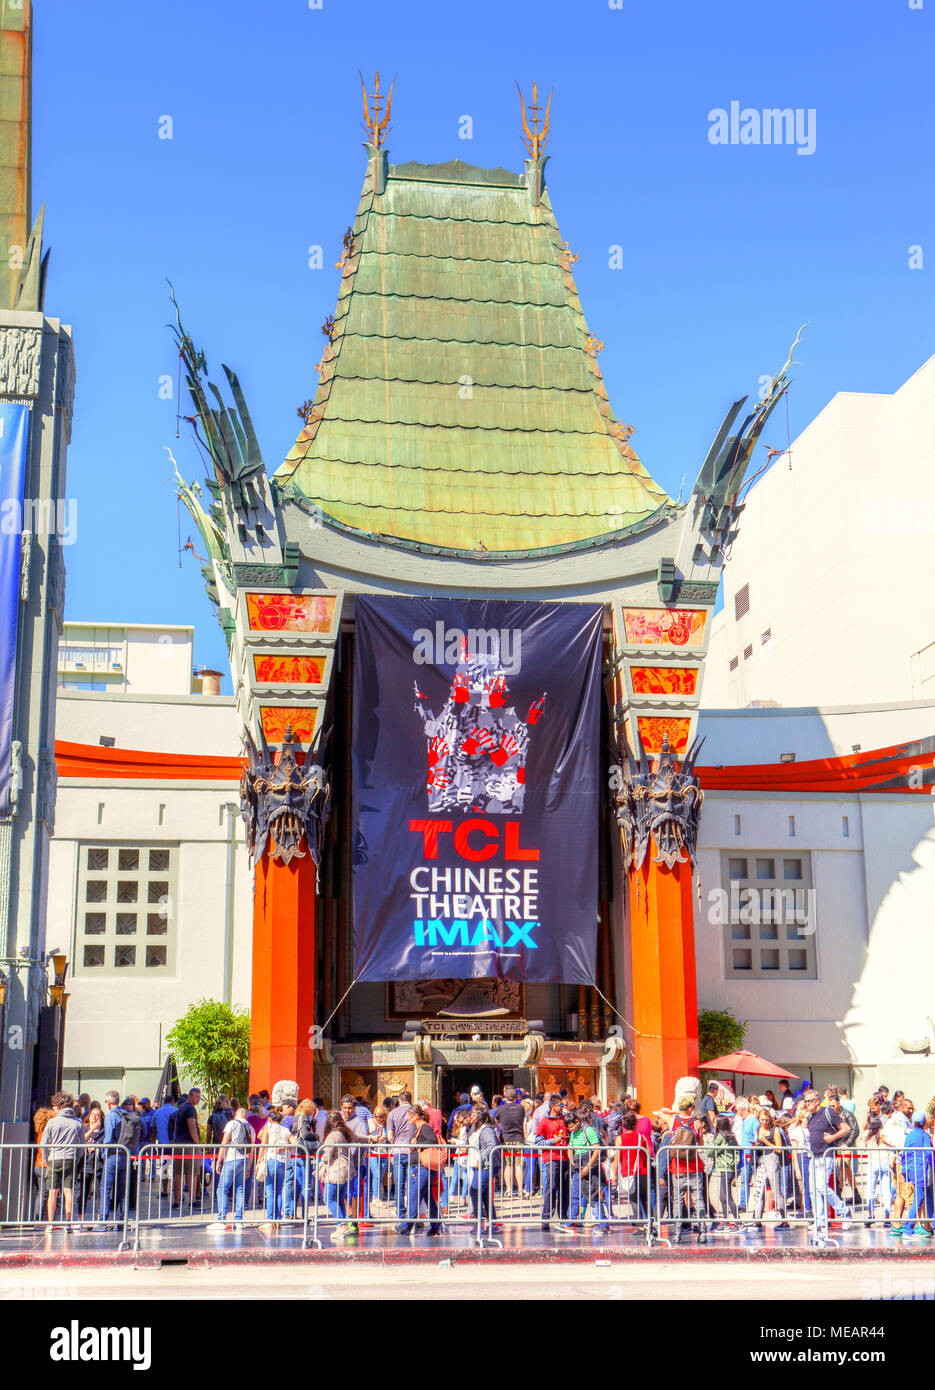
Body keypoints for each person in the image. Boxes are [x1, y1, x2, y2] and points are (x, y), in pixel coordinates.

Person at [803, 1089, 851, 1236]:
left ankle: (844, 1210)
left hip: (826, 1155)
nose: (807, 1104)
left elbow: (846, 1128)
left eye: (809, 1101)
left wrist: (833, 1138)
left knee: (822, 1186)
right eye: (805, 1102)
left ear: (817, 1101)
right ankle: (820, 1219)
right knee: (813, 1190)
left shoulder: (828, 1113)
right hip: (814, 1156)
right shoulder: (810, 1117)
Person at [396, 1106, 443, 1237]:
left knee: (415, 1195)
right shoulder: (420, 1128)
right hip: (422, 1167)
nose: (408, 1117)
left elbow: (432, 1140)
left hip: (424, 1167)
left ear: (416, 1115)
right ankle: (435, 1226)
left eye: (410, 1115)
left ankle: (407, 1225)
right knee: (429, 1199)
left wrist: (417, 1143)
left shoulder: (425, 1127)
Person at [40, 1093, 85, 1229]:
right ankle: (68, 1223)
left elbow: (43, 1143)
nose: (53, 1108)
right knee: (68, 1191)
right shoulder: (77, 1122)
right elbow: (82, 1145)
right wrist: (76, 1158)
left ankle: (50, 1223)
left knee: (53, 1192)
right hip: (70, 1158)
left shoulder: (52, 1122)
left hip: (54, 1158)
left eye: (54, 1106)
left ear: (60, 1106)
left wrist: (47, 1158)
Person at [209, 1106, 255, 1230]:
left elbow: (224, 1142)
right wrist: (249, 1167)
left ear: (236, 1114)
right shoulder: (251, 1128)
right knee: (240, 1190)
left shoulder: (232, 1124)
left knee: (222, 1189)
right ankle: (239, 1221)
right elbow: (251, 1150)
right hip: (244, 1160)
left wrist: (219, 1160)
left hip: (231, 1159)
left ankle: (222, 1219)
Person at [568, 1107, 609, 1235]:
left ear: (577, 1121)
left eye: (571, 1125)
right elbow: (570, 1146)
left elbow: (597, 1150)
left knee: (593, 1196)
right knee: (575, 1194)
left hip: (589, 1166)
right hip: (578, 1165)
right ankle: (570, 1221)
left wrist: (588, 1167)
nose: (570, 1129)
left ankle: (603, 1224)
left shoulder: (589, 1131)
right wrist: (571, 1160)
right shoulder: (574, 1133)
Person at [536, 1094, 573, 1235]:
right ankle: (546, 1218)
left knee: (565, 1189)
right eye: (560, 1105)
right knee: (551, 1188)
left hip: (565, 1158)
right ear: (553, 1106)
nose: (563, 1107)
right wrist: (553, 1141)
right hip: (551, 1158)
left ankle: (563, 1217)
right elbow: (538, 1142)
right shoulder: (544, 1121)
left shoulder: (565, 1119)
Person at [318, 1110, 356, 1239]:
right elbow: (358, 1137)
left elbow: (327, 1157)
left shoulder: (332, 1136)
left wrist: (321, 1158)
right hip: (345, 1171)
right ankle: (343, 1224)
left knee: (329, 1198)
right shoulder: (343, 1133)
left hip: (335, 1171)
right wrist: (372, 1138)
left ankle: (342, 1225)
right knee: (339, 1199)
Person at [667, 1125, 708, 1245]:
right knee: (698, 1200)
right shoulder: (697, 1124)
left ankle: (677, 1232)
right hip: (694, 1167)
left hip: (678, 1168)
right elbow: (701, 1145)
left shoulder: (673, 1121)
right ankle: (702, 1231)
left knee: (678, 1201)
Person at [899, 1110, 934, 1238]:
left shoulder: (910, 1135)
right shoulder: (924, 1135)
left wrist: (905, 1170)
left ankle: (933, 1225)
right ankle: (908, 1230)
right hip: (921, 1170)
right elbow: (929, 1153)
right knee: (918, 1200)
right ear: (925, 1122)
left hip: (912, 1169)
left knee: (929, 1197)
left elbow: (904, 1154)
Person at [257, 1106, 293, 1230]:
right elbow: (296, 1143)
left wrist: (258, 1162)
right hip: (282, 1163)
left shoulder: (268, 1127)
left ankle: (270, 1220)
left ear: (270, 1119)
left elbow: (262, 1144)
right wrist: (283, 1147)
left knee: (270, 1192)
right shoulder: (285, 1130)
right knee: (278, 1193)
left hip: (271, 1160)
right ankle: (277, 1220)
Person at [465, 1104, 499, 1228]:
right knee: (484, 1194)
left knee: (475, 1190)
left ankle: (479, 1222)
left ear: (479, 1116)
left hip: (486, 1165)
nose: (471, 1116)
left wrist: (481, 1158)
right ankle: (492, 1222)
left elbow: (491, 1145)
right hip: (476, 1164)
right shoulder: (473, 1127)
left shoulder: (486, 1129)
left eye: (473, 1114)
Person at [387, 1090, 416, 1222]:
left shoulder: (392, 1113)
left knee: (399, 1184)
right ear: (410, 1099)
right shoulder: (415, 1111)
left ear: (399, 1100)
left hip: (398, 1150)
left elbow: (390, 1136)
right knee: (411, 1184)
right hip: (412, 1150)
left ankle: (400, 1213)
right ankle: (412, 1213)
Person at [171, 1087, 202, 1209]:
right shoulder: (190, 1109)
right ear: (190, 1096)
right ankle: (192, 1200)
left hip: (179, 1143)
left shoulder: (181, 1108)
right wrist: (197, 1143)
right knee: (192, 1173)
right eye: (195, 1096)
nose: (198, 1099)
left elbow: (175, 1126)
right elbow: (192, 1127)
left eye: (199, 1097)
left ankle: (176, 1201)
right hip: (189, 1144)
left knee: (178, 1173)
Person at [493, 1085, 525, 1197]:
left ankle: (509, 1189)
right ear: (516, 1097)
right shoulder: (520, 1108)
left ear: (505, 1097)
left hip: (505, 1139)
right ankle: (520, 1189)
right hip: (519, 1138)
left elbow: (496, 1120)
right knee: (519, 1165)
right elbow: (522, 1121)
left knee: (507, 1165)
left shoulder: (500, 1109)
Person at [709, 1113, 740, 1228]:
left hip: (724, 1168)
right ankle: (726, 1221)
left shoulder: (720, 1137)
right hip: (730, 1168)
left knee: (727, 1196)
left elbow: (710, 1152)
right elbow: (737, 1151)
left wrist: (709, 1144)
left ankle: (738, 1221)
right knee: (722, 1197)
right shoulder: (732, 1136)